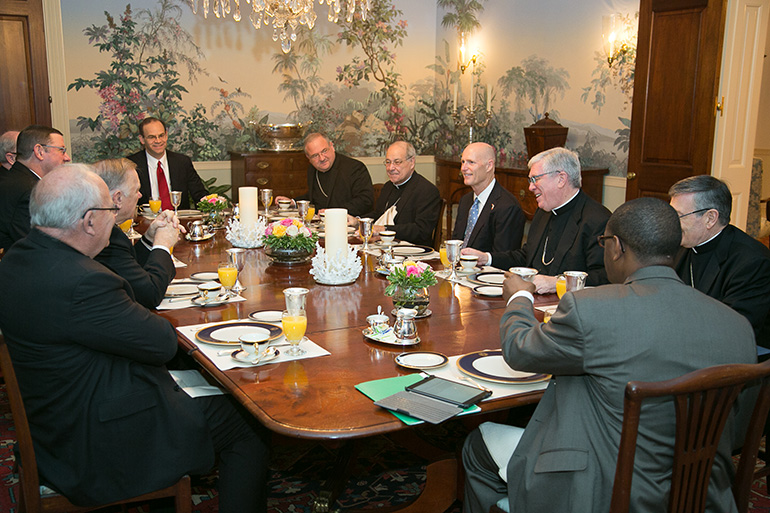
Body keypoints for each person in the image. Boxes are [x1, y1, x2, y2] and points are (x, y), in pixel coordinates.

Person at [0, 164, 270, 512]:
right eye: (110, 211)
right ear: (89, 221)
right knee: (248, 419)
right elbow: (161, 344)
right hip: (92, 443)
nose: (114, 219)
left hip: (52, 419)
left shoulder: (18, 259)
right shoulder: (83, 280)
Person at [462, 197, 757, 513]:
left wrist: (519, 297)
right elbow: (737, 426)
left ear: (615, 246)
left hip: (603, 491)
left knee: (476, 445)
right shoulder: (737, 326)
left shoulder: (592, 310)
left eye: (603, 242)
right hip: (703, 493)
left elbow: (521, 351)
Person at [462, 147, 611, 293]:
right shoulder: (543, 212)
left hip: (568, 308)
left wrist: (557, 282)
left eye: (535, 179)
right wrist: (486, 258)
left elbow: (605, 277)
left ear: (561, 179)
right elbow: (525, 257)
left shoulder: (597, 220)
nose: (530, 187)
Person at [669, 175, 770, 348]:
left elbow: (736, 330)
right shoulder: (679, 245)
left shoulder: (751, 262)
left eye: (678, 216)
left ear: (710, 218)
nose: (671, 223)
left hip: (734, 356)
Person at [93, 158, 182, 308]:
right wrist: (163, 245)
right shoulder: (106, 236)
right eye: (136, 190)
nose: (140, 195)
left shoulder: (104, 227)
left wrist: (149, 238)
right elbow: (149, 293)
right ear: (118, 198)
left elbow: (129, 268)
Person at [355, 141, 442, 247]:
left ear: (412, 162)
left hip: (412, 253)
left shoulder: (426, 190)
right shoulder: (388, 187)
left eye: (397, 162)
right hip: (385, 246)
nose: (391, 168)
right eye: (388, 162)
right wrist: (358, 221)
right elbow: (379, 214)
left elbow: (421, 231)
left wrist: (385, 229)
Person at [0, 125, 71, 250]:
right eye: (62, 150)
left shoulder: (17, 179)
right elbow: (39, 246)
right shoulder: (29, 190)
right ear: (39, 151)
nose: (67, 158)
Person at [276, 132, 374, 216]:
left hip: (349, 225)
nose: (322, 158)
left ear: (332, 146)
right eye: (315, 156)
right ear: (308, 158)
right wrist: (292, 202)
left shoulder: (355, 168)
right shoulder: (312, 169)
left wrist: (333, 213)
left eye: (324, 151)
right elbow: (315, 197)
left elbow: (365, 201)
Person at [451, 142, 525, 253]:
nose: (463, 168)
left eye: (471, 162)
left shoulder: (508, 207)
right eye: (462, 162)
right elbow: (456, 242)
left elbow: (503, 259)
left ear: (489, 166)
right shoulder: (465, 200)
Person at [127, 117, 208, 210]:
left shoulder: (182, 162)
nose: (158, 141)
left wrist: (212, 206)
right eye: (152, 137)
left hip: (178, 221)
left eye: (161, 135)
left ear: (166, 135)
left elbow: (200, 195)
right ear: (142, 139)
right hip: (146, 221)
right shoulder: (131, 165)